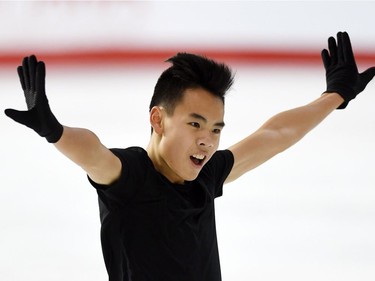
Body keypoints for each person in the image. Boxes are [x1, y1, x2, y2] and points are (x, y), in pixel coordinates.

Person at [4, 32, 375, 281]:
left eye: (216, 129)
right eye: (196, 125)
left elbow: (273, 135)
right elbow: (93, 153)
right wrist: (55, 131)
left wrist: (335, 95)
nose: (207, 141)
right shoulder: (132, 178)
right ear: (158, 119)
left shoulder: (206, 177)